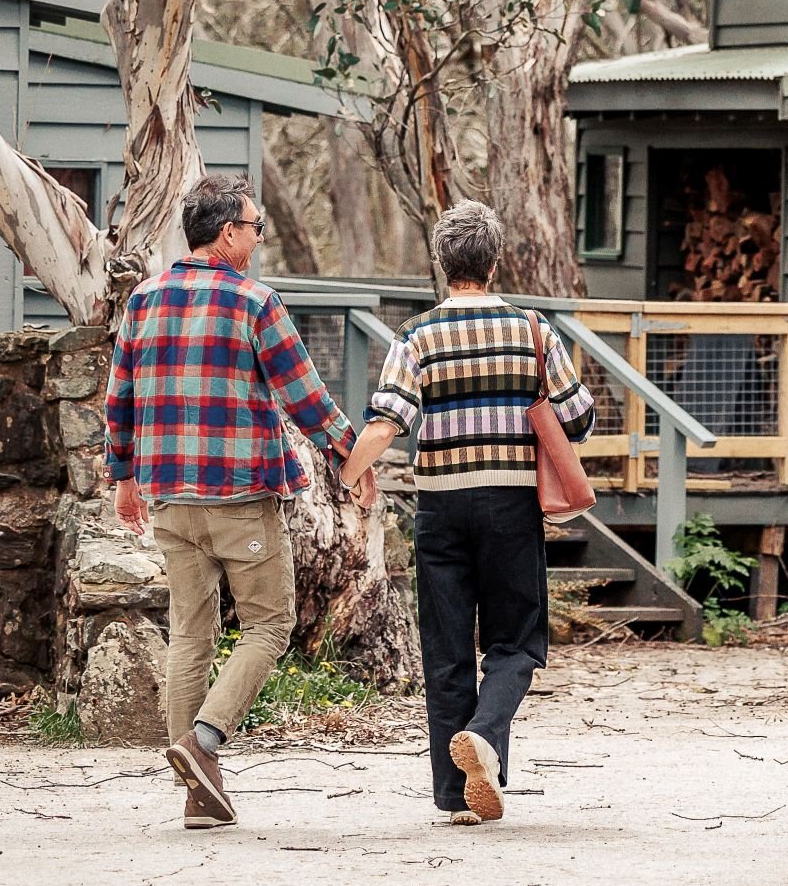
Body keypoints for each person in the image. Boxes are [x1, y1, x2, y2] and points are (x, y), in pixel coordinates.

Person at [105, 172, 370, 830]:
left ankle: (200, 800)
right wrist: (352, 454)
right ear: (227, 234)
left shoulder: (144, 299)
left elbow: (121, 399)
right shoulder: (255, 302)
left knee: (191, 635)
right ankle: (205, 741)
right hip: (240, 497)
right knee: (269, 625)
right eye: (254, 227)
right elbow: (306, 397)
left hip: (169, 497)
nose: (256, 237)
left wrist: (124, 476)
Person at [340, 201, 593, 825]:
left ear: (441, 263)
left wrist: (349, 475)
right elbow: (579, 417)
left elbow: (387, 424)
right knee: (517, 643)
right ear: (496, 259)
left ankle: (457, 796)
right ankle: (485, 732)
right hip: (510, 506)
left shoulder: (417, 337)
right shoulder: (533, 331)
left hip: (442, 511)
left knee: (446, 649)